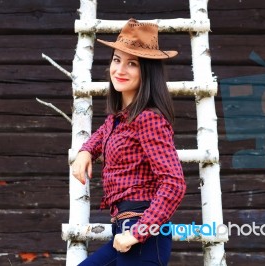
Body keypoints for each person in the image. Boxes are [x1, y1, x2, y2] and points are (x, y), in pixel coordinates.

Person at [72, 18, 186, 266]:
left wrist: (138, 232)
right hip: (123, 228)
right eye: (116, 60)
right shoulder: (121, 118)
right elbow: (103, 133)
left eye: (132, 63)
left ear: (147, 71)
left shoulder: (148, 119)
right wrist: (85, 151)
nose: (120, 70)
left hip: (143, 233)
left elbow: (174, 183)